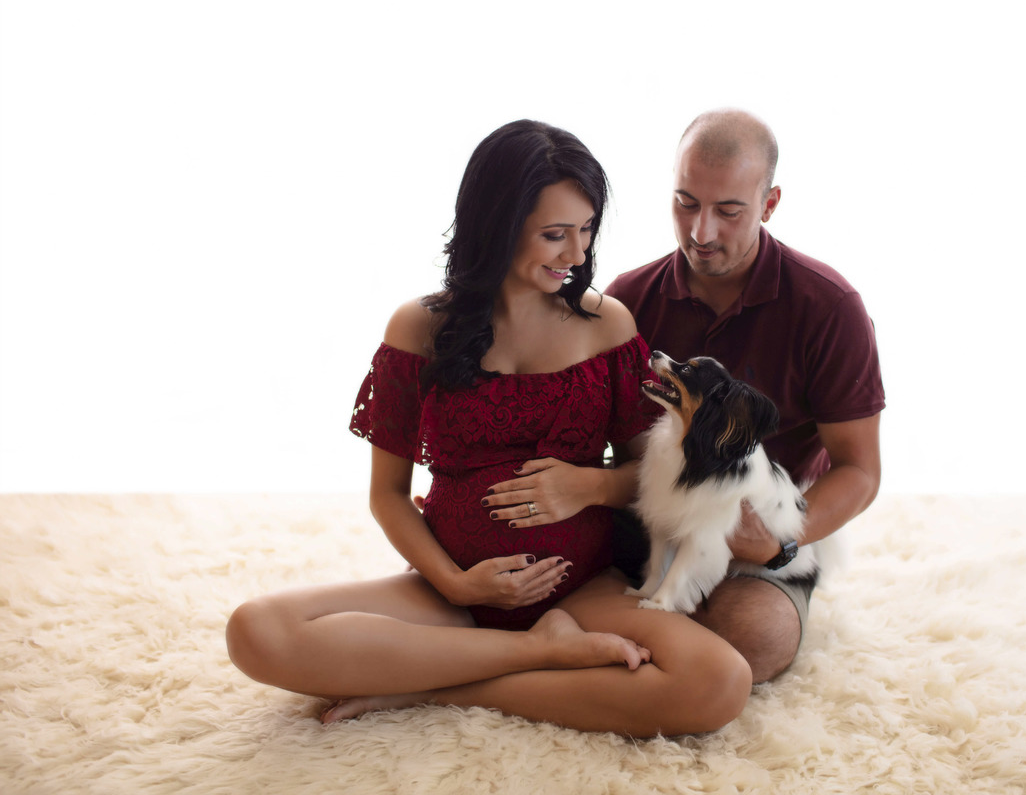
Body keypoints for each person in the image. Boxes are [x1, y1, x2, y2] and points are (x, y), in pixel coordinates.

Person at [225, 119, 752, 737]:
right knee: (255, 632)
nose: (577, 255)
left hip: (579, 589)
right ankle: (536, 655)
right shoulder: (417, 329)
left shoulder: (606, 325)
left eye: (586, 231)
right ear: (497, 228)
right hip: (452, 593)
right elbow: (387, 495)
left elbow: (656, 474)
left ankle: (438, 687)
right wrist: (456, 582)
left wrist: (586, 486)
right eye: (555, 235)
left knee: (720, 682)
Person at [605, 108, 885, 683]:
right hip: (649, 516)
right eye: (685, 203)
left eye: (728, 211)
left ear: (770, 203)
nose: (701, 232)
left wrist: (779, 544)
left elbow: (859, 470)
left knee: (753, 638)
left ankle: (631, 656)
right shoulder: (627, 299)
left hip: (759, 528)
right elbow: (601, 445)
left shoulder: (828, 307)